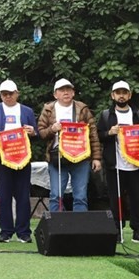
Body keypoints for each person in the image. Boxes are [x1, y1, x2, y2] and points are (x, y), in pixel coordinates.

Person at [97, 80, 139, 244]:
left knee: (136, 199)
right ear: (112, 95)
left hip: (136, 165)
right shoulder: (106, 115)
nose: (121, 96)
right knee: (116, 199)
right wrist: (109, 132)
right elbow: (98, 135)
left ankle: (138, 231)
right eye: (118, 93)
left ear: (129, 95)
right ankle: (117, 230)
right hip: (115, 164)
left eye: (124, 92)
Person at [0, 80, 38, 243]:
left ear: (17, 93)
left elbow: (35, 132)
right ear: (0, 95)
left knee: (23, 195)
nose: (7, 97)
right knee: (4, 195)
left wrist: (32, 132)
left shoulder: (27, 111)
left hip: (22, 157)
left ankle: (24, 231)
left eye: (10, 93)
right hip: (2, 158)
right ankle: (6, 231)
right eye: (4, 94)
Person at [38, 79, 101, 212]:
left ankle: (80, 230)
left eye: (68, 89)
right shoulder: (48, 109)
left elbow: (93, 133)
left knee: (81, 196)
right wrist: (52, 129)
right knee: (56, 195)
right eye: (62, 90)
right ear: (55, 94)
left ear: (73, 92)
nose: (65, 92)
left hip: (81, 157)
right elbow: (41, 133)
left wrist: (96, 158)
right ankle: (56, 229)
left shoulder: (82, 108)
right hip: (57, 157)